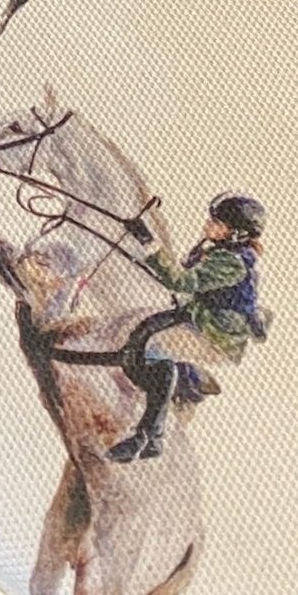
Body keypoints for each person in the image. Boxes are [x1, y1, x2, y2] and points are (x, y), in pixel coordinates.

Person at [107, 193, 269, 462]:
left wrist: (147, 241)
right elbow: (180, 273)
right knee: (141, 331)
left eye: (217, 223)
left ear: (237, 234)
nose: (208, 225)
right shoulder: (216, 249)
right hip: (196, 317)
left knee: (149, 350)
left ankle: (150, 436)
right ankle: (181, 379)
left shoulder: (231, 262)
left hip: (214, 336)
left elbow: (181, 282)